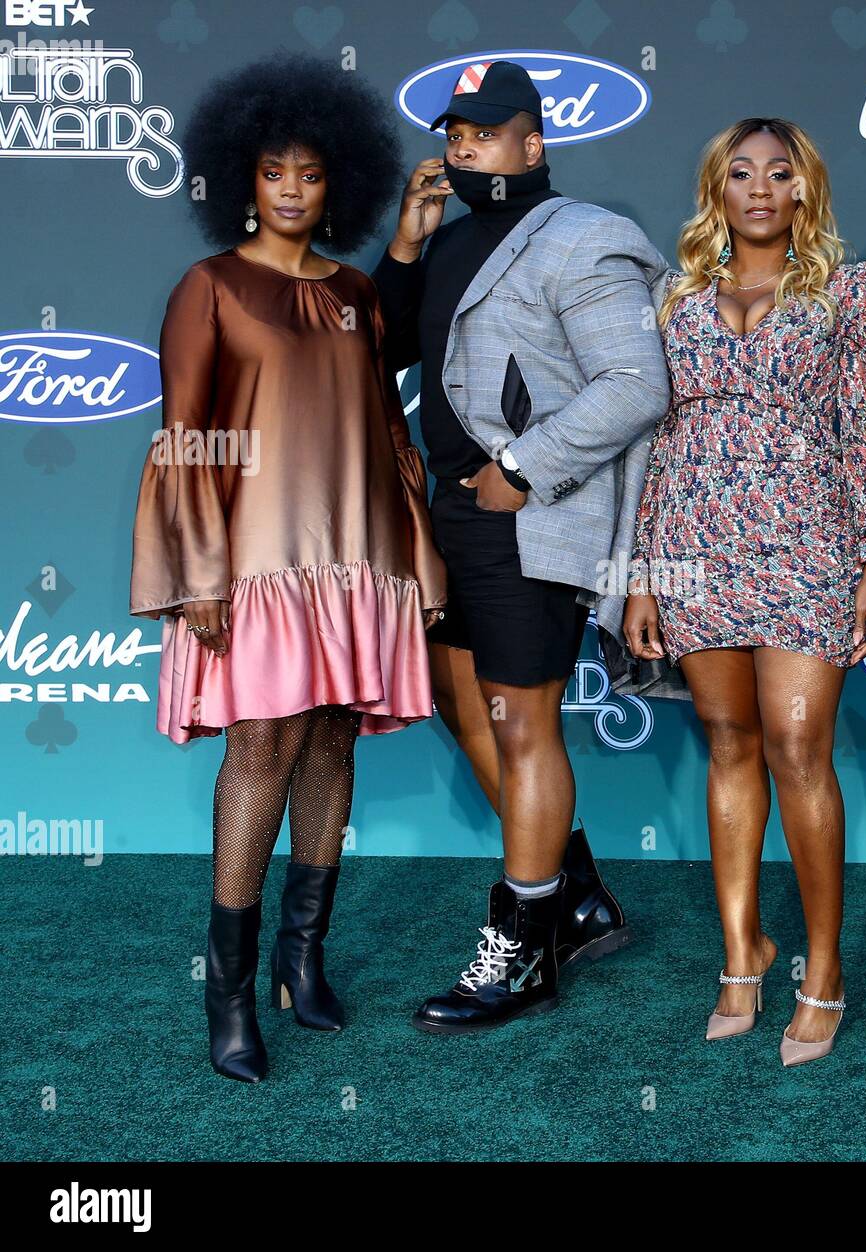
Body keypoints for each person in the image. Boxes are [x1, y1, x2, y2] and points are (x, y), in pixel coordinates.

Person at [128, 55, 446, 1083]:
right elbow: (183, 435)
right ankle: (226, 994)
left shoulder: (356, 292)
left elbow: (380, 425)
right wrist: (201, 572)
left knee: (334, 741)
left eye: (312, 175)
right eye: (275, 174)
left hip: (356, 556)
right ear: (243, 181)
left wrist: (415, 553)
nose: (295, 191)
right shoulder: (210, 286)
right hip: (256, 558)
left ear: (335, 182)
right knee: (262, 740)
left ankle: (299, 960)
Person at [371, 60, 671, 1033]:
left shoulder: (586, 234)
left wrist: (527, 470)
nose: (464, 147)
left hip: (523, 519)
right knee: (465, 709)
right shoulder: (448, 240)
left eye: (487, 131)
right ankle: (573, 899)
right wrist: (408, 248)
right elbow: (375, 350)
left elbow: (635, 381)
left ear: (532, 143)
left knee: (521, 725)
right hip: (448, 519)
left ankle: (523, 949)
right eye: (455, 131)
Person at [623, 118, 866, 1067]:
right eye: (741, 172)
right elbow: (655, 439)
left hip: (806, 541)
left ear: (805, 190)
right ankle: (743, 956)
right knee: (729, 742)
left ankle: (824, 971)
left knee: (796, 746)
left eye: (781, 173)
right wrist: (644, 571)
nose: (762, 187)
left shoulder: (846, 290)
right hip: (693, 540)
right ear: (717, 190)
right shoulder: (676, 294)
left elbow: (865, 433)